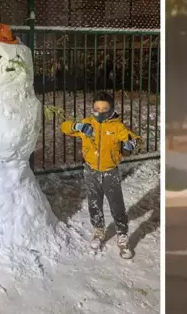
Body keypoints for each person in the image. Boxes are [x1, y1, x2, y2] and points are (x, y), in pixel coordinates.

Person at [61, 91, 141, 258]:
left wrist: (130, 144)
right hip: (91, 171)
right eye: (96, 108)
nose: (100, 112)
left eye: (104, 109)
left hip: (110, 172)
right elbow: (64, 127)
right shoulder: (88, 123)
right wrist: (76, 126)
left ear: (111, 110)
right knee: (94, 203)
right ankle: (98, 230)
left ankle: (122, 234)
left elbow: (134, 139)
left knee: (116, 205)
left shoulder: (117, 127)